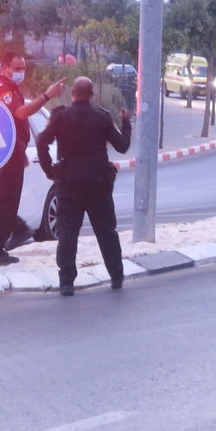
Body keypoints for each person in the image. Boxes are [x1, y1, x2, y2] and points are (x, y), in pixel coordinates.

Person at [0, 38, 63, 264]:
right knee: (5, 202)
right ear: (5, 68)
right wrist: (46, 96)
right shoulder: (2, 87)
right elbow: (20, 113)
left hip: (5, 150)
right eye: (17, 69)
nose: (21, 73)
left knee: (2, 202)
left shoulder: (4, 86)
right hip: (3, 153)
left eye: (24, 69)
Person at [35, 76, 131, 297]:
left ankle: (67, 282)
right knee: (106, 233)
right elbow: (123, 146)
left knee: (68, 234)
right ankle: (116, 276)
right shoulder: (102, 118)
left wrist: (49, 170)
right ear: (91, 95)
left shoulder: (60, 116)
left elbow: (42, 141)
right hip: (98, 185)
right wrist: (126, 123)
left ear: (73, 95)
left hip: (68, 185)